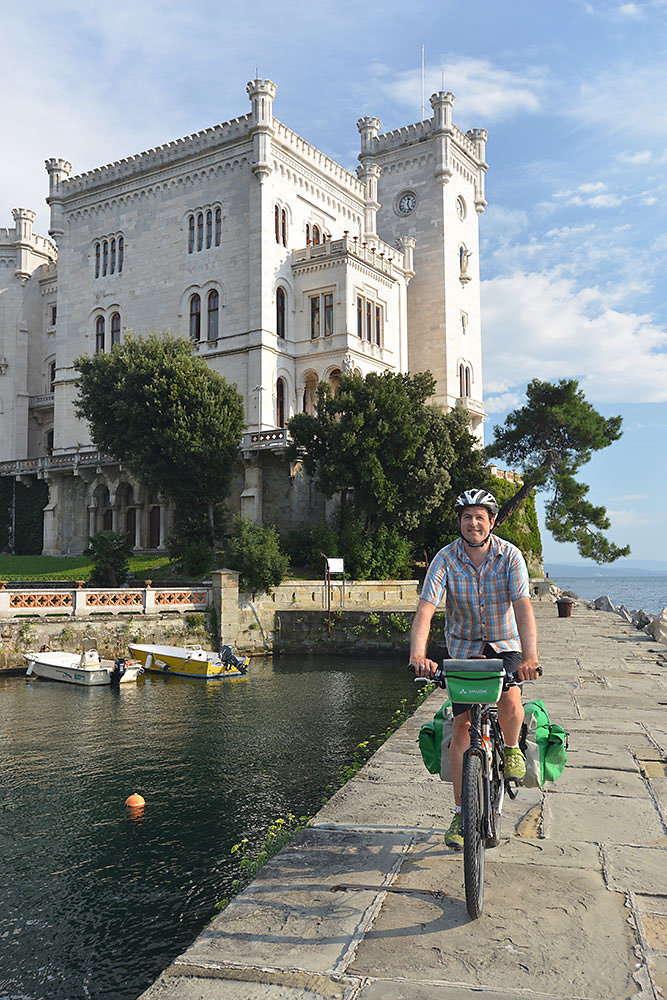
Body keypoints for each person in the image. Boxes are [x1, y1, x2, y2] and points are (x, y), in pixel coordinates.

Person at [409, 488, 540, 850]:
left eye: (480, 516)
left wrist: (530, 657)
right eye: (467, 517)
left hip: (504, 646)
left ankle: (512, 747)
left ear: (492, 522)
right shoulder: (446, 558)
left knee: (510, 697)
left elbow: (523, 606)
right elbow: (426, 609)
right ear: (460, 523)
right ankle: (459, 811)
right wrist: (418, 655)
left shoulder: (510, 556)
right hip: (463, 649)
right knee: (463, 724)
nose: (473, 522)